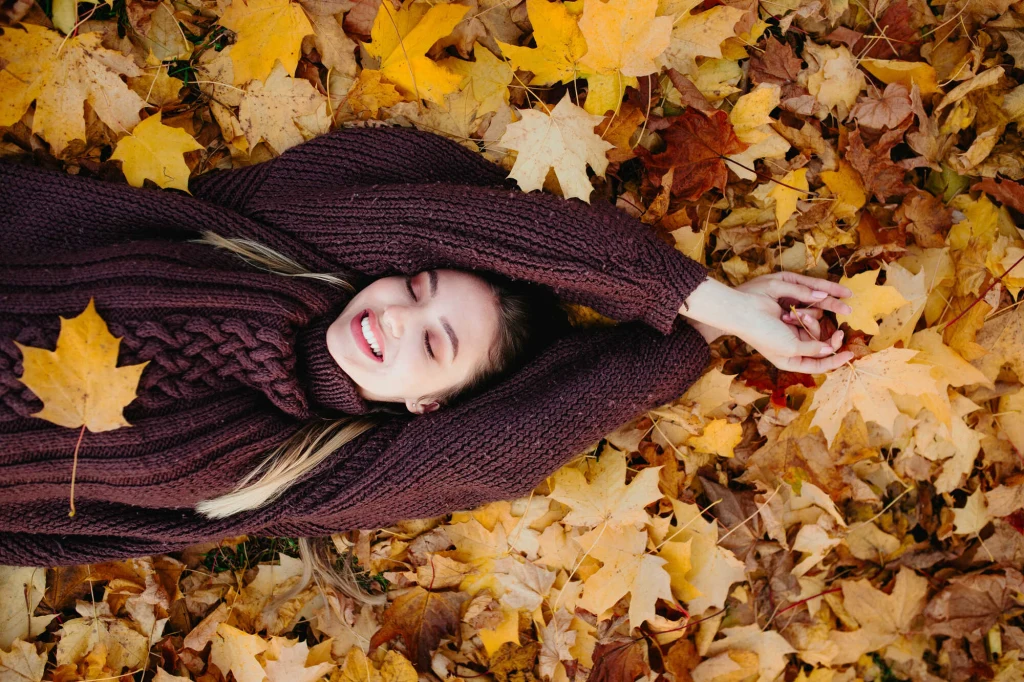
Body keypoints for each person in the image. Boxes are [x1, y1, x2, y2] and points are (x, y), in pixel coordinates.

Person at [0, 125, 853, 600]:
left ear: (430, 408)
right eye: (415, 285)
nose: (396, 318)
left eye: (436, 343)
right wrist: (709, 296)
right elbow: (458, 223)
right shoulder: (287, 250)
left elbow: (523, 435)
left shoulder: (309, 466)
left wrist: (706, 336)